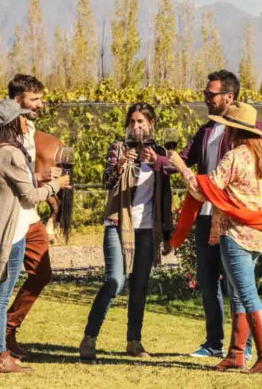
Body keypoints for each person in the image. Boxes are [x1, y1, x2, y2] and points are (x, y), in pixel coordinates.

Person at [168, 101, 262, 374]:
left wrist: (182, 167)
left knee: (247, 295)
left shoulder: (234, 157)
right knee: (240, 296)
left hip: (234, 234)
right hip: (256, 234)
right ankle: (236, 354)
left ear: (233, 130)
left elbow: (204, 191)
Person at [0, 99, 70, 373]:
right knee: (1, 299)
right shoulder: (11, 154)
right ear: (12, 122)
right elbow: (30, 195)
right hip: (11, 232)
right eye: (22, 118)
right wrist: (55, 186)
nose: (27, 121)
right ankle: (0, 357)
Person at [178, 70, 262, 360]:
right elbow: (187, 155)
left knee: (239, 287)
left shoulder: (248, 137)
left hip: (233, 223)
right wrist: (163, 159)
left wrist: (180, 169)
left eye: (210, 94)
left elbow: (207, 186)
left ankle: (247, 350)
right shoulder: (207, 130)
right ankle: (219, 344)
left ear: (229, 96)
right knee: (209, 281)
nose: (206, 99)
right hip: (211, 219)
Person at [78, 102, 173, 363]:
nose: (136, 126)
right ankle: (89, 338)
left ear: (151, 124)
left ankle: (134, 341)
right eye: (132, 122)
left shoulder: (160, 152)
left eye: (141, 121)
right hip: (118, 223)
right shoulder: (118, 148)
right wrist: (121, 165)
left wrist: (167, 234)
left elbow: (166, 194)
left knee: (140, 286)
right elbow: (107, 181)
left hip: (146, 228)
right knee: (114, 281)